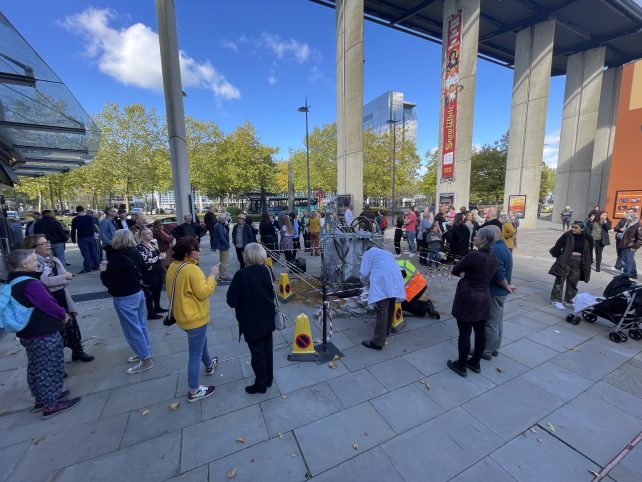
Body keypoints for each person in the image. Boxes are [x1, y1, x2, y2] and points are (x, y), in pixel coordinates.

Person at [8, 249, 82, 418]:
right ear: (25, 264)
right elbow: (48, 304)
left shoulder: (13, 281)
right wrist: (63, 315)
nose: (37, 263)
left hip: (27, 331)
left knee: (36, 365)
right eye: (34, 261)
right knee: (50, 367)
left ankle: (42, 398)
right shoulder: (31, 283)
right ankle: (51, 404)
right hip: (42, 330)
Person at [22, 234, 94, 363]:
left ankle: (78, 351)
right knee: (56, 330)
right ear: (33, 247)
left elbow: (65, 277)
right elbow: (45, 281)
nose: (48, 245)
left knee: (72, 325)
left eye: (47, 242)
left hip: (62, 295)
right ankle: (57, 362)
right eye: (43, 244)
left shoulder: (54, 260)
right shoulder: (33, 264)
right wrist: (63, 278)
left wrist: (61, 279)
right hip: (49, 300)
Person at [166, 238, 219, 402]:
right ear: (188, 253)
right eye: (196, 250)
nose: (199, 252)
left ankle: (209, 365)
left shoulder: (173, 266)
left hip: (183, 316)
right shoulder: (192, 270)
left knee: (201, 342)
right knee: (195, 354)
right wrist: (212, 276)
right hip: (195, 318)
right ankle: (194, 390)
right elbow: (203, 292)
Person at [100, 230, 154, 374]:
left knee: (132, 329)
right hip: (137, 293)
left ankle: (145, 359)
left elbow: (111, 283)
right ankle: (144, 350)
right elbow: (144, 270)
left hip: (125, 297)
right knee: (141, 324)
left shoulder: (116, 258)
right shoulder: (135, 253)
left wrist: (103, 271)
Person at [447, 227, 498, 377]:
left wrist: (465, 273)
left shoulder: (474, 255)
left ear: (483, 240)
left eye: (476, 236)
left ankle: (461, 365)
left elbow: (456, 270)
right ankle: (475, 362)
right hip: (484, 297)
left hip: (468, 297)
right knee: (480, 331)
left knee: (464, 332)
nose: (474, 238)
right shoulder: (493, 258)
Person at [226, 243, 276, 394]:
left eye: (244, 253)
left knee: (257, 353)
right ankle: (268, 379)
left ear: (248, 256)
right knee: (267, 349)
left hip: (251, 321)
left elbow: (231, 301)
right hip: (267, 317)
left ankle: (261, 383)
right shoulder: (267, 270)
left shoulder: (241, 275)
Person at [359, 244, 406, 350]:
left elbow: (363, 272)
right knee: (390, 306)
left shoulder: (368, 253)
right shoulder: (387, 252)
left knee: (382, 308)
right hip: (395, 279)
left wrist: (364, 284)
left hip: (383, 280)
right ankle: (386, 331)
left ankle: (378, 342)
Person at [482, 226, 515, 360]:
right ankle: (495, 347)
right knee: (497, 321)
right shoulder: (503, 246)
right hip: (500, 292)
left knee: (490, 322)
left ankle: (487, 350)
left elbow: (499, 274)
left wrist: (507, 287)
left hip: (495, 292)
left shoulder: (495, 249)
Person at [548, 221, 593, 310]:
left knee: (573, 282)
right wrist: (560, 256)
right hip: (566, 260)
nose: (573, 229)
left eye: (576, 228)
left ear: (582, 229)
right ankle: (556, 300)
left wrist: (589, 261)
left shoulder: (588, 238)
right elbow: (557, 246)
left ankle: (569, 300)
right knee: (560, 280)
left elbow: (590, 251)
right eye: (572, 227)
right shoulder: (567, 235)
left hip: (579, 262)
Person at [137, 228, 167, 319]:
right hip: (149, 272)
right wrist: (159, 258)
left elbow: (158, 254)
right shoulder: (140, 247)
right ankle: (151, 313)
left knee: (158, 289)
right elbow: (145, 260)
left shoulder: (152, 244)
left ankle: (157, 307)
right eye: (148, 234)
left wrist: (162, 256)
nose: (150, 235)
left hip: (158, 270)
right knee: (150, 293)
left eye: (151, 233)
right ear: (142, 236)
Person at [71, 206, 100, 274]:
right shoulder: (89, 218)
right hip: (91, 237)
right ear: (83, 210)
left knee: (86, 253)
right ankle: (97, 265)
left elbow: (73, 230)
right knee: (93, 252)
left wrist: (73, 239)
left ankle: (87, 268)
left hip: (82, 238)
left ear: (77, 211)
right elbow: (93, 226)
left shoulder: (75, 219)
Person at [621, 213, 641, 279]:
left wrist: (634, 247)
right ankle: (633, 274)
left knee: (626, 261)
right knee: (630, 260)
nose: (626, 220)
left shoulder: (638, 225)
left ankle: (626, 275)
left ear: (631, 218)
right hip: (626, 245)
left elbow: (640, 238)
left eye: (627, 219)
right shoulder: (631, 224)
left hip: (630, 246)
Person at [213, 214, 231, 283]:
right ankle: (223, 277)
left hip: (223, 245)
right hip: (223, 245)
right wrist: (227, 244)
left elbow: (227, 231)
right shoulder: (219, 226)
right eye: (226, 219)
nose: (227, 220)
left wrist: (226, 225)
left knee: (224, 261)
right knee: (224, 261)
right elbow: (221, 237)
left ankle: (223, 275)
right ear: (223, 219)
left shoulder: (221, 224)